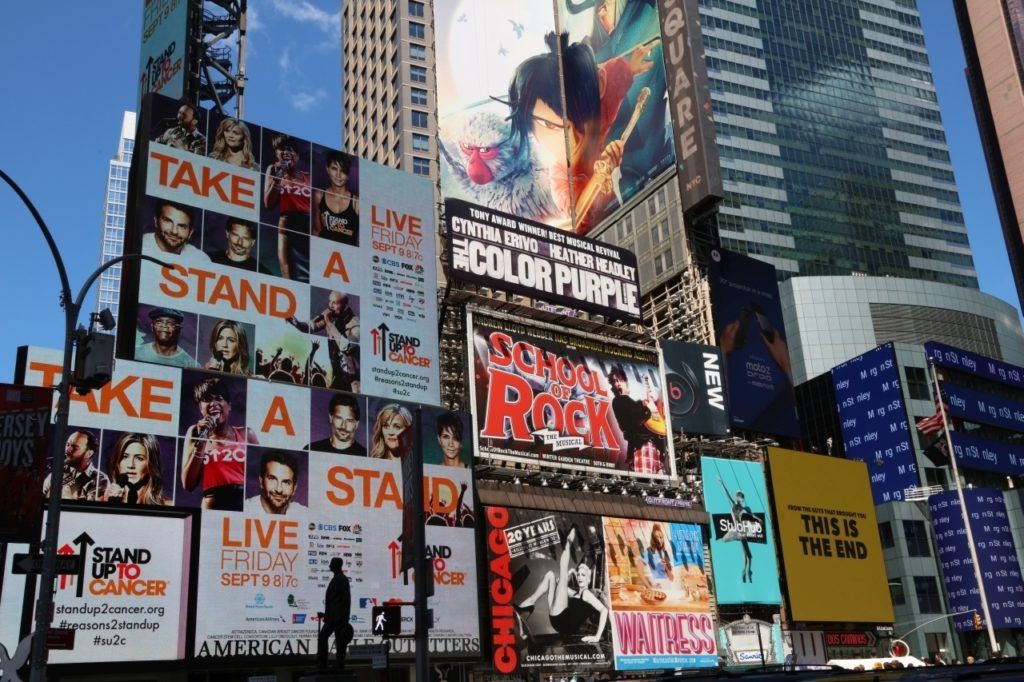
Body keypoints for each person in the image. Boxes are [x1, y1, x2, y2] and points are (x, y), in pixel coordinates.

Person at [507, 32, 654, 233]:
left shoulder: (601, 97)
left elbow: (612, 74)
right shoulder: (561, 180)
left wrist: (631, 67)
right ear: (531, 129)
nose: (574, 140)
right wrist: (602, 179)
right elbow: (579, 217)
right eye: (552, 126)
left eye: (580, 120)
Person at [513, 527, 608, 644]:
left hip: (563, 622)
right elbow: (559, 582)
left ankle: (568, 543)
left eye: (583, 575)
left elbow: (604, 610)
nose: (579, 577)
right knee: (550, 575)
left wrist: (597, 637)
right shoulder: (577, 593)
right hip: (559, 621)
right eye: (578, 575)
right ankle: (528, 606)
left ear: (588, 579)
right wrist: (570, 573)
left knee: (562, 574)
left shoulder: (587, 594)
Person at [181, 377, 259, 510]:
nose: (213, 403)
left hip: (245, 505)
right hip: (213, 508)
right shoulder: (194, 432)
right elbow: (188, 484)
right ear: (200, 408)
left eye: (219, 398)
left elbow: (260, 476)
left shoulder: (246, 434)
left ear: (229, 406)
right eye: (206, 399)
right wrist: (203, 439)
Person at [286, 291, 360, 391]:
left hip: (353, 380)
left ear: (345, 305)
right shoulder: (332, 319)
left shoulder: (355, 324)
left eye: (335, 303)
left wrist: (329, 324)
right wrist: (295, 322)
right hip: (338, 376)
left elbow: (347, 348)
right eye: (330, 302)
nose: (330, 305)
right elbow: (310, 327)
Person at [263, 134, 311, 281]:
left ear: (297, 155)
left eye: (291, 149)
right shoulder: (273, 170)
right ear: (277, 153)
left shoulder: (308, 176)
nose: (286, 152)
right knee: (289, 274)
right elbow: (268, 204)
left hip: (307, 227)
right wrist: (278, 177)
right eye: (282, 149)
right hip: (287, 226)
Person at [607, 364, 666, 474]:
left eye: (619, 380)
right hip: (643, 447)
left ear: (626, 382)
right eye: (614, 382)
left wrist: (652, 402)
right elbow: (632, 421)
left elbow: (660, 425)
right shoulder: (619, 401)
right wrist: (645, 406)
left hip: (655, 451)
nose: (617, 384)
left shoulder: (634, 403)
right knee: (647, 484)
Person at [42, 430, 109, 501]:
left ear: (89, 453)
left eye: (75, 447)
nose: (68, 449)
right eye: (68, 444)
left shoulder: (100, 479)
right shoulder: (58, 472)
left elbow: (93, 510)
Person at [105, 433, 170, 505]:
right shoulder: (100, 499)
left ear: (151, 465)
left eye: (139, 458)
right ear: (117, 463)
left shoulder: (168, 505)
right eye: (125, 457)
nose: (130, 465)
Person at [142, 199, 211, 265]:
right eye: (168, 221)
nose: (174, 231)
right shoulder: (139, 246)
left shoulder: (200, 259)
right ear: (156, 222)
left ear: (190, 233)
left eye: (181, 226)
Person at [313, 151, 359, 245]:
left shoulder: (356, 202)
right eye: (334, 168)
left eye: (343, 171)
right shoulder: (319, 195)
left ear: (348, 175)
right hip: (325, 252)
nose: (338, 175)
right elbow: (316, 230)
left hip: (348, 256)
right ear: (327, 169)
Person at [718, 477, 758, 583]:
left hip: (741, 530)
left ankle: (746, 571)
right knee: (747, 556)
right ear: (737, 498)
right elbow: (728, 495)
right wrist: (722, 484)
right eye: (740, 497)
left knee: (748, 556)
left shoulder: (742, 508)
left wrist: (757, 519)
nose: (740, 499)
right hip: (738, 531)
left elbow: (751, 514)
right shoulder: (734, 505)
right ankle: (746, 571)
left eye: (741, 498)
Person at [244, 450, 305, 514]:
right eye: (272, 479)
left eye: (286, 482)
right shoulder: (246, 509)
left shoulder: (303, 513)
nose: (279, 489)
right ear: (261, 482)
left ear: (294, 488)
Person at [318, 557, 352, 670]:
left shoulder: (342, 579)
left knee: (340, 641)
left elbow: (346, 600)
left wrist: (345, 619)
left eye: (331, 564)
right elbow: (333, 601)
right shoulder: (336, 579)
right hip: (331, 617)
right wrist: (326, 614)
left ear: (336, 565)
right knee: (323, 637)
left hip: (339, 618)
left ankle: (339, 663)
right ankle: (323, 664)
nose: (329, 566)